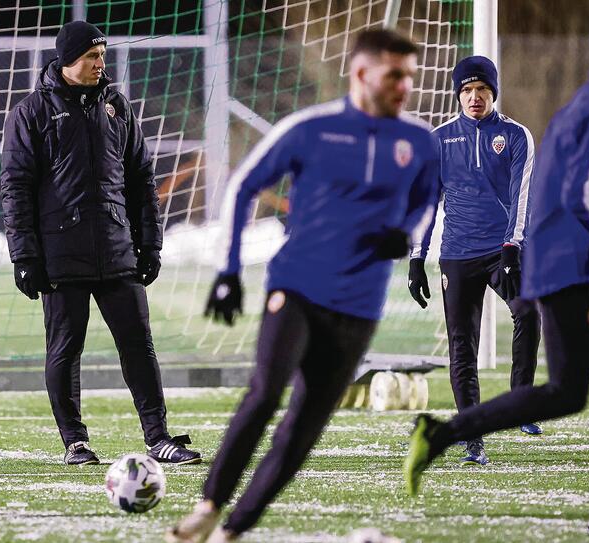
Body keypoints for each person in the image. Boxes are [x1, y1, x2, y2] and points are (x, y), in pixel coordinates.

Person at [404, 14, 589, 543]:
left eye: (483, 88)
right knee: (570, 387)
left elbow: (544, 190)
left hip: (558, 258)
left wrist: (518, 244)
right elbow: (586, 192)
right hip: (569, 263)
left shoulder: (579, 111)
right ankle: (449, 432)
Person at [167, 29, 439, 543]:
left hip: (360, 307)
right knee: (265, 393)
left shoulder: (419, 141)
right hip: (296, 289)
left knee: (304, 427)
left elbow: (428, 199)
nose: (405, 85)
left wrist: (408, 233)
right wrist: (228, 271)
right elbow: (246, 184)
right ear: (362, 73)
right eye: (395, 74)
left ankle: (233, 531)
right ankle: (207, 507)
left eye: (410, 75)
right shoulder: (311, 129)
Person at [0, 21, 200, 466]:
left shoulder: (117, 107)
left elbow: (142, 180)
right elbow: (15, 186)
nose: (100, 63)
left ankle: (159, 438)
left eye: (102, 55)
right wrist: (25, 255)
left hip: (116, 249)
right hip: (59, 256)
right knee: (66, 349)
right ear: (68, 60)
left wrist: (150, 245)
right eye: (92, 56)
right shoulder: (31, 112)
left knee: (139, 345)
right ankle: (75, 441)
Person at [407, 55, 542, 466]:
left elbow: (522, 197)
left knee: (528, 312)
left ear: (493, 92)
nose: (474, 97)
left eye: (481, 89)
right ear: (457, 96)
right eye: (466, 90)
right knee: (461, 347)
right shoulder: (438, 140)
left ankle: (520, 401)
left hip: (504, 250)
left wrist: (512, 247)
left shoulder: (517, 136)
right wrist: (417, 258)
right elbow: (425, 204)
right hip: (458, 256)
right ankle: (473, 439)